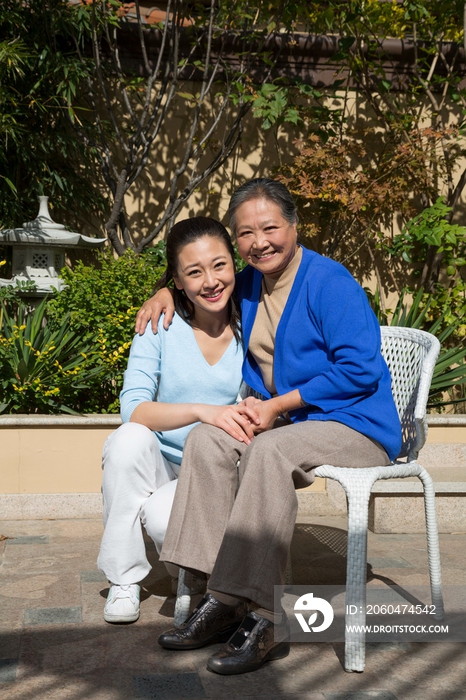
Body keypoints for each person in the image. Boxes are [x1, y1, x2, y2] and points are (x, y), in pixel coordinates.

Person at [135, 178, 402, 674]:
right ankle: (219, 595)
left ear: (294, 226)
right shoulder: (252, 281)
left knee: (268, 450)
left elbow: (360, 369)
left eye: (270, 228)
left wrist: (277, 404)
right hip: (296, 424)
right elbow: (204, 283)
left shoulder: (330, 281)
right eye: (245, 234)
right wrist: (166, 292)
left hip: (356, 424)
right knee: (210, 438)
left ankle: (263, 614)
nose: (259, 242)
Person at [97, 216, 261, 624]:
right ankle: (124, 580)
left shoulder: (254, 321)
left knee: (159, 518)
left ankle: (193, 572)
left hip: (214, 471)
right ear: (178, 280)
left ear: (234, 265)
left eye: (219, 265)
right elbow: (133, 408)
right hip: (160, 465)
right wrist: (202, 411)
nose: (210, 281)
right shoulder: (159, 324)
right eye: (194, 272)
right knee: (127, 440)